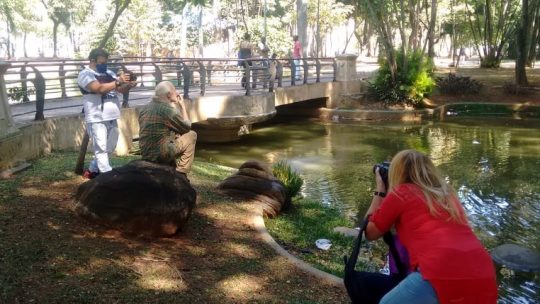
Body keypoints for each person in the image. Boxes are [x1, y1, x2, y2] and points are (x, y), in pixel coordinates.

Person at [365, 149, 498, 304]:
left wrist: (380, 189)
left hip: (441, 269)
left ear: (397, 172)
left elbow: (370, 233)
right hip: (483, 271)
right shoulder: (447, 194)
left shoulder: (401, 193)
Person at [77, 48, 135, 179]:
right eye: (102, 61)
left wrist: (129, 84)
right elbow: (100, 89)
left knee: (110, 146)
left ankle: (92, 170)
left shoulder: (108, 73)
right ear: (93, 60)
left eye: (106, 61)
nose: (105, 64)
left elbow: (120, 89)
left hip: (112, 116)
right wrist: (118, 81)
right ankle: (106, 175)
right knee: (101, 147)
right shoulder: (85, 74)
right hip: (97, 116)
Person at [138, 81, 197, 175]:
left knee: (173, 136)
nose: (177, 93)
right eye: (175, 90)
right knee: (191, 135)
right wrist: (182, 107)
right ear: (169, 94)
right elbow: (186, 127)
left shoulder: (144, 108)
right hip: (160, 153)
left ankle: (170, 166)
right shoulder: (168, 110)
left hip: (146, 153)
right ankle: (182, 172)